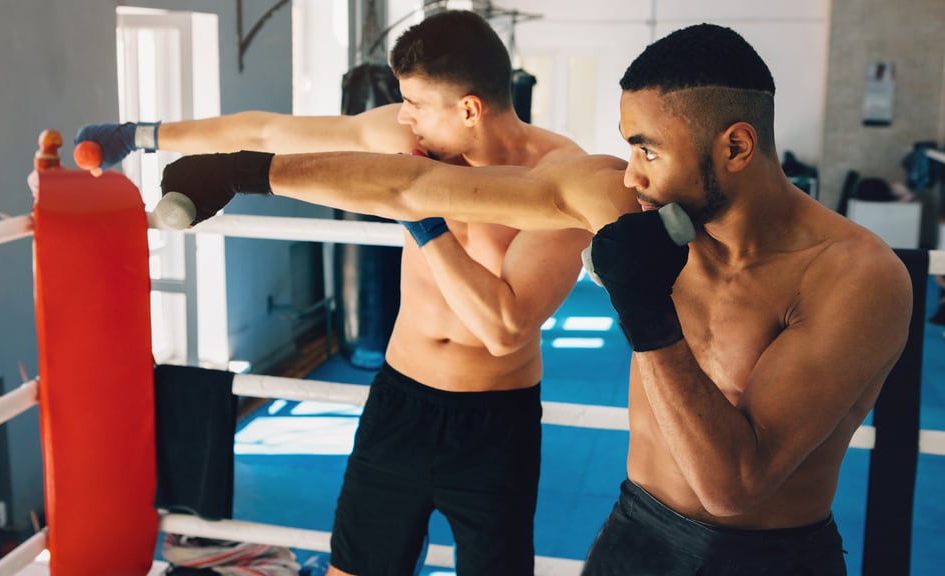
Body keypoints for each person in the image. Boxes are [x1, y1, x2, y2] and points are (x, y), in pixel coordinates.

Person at [155, 23, 914, 575]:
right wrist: (245, 172)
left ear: (737, 149)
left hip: (767, 559)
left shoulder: (855, 278)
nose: (633, 175)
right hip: (633, 533)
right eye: (628, 144)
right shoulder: (623, 197)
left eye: (648, 149)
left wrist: (645, 311)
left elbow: (734, 486)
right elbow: (417, 186)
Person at [78, 10, 596, 576]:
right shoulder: (407, 138)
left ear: (468, 108)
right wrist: (138, 137)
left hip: (495, 422)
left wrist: (418, 212)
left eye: (416, 104)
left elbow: (504, 327)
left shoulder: (561, 180)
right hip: (402, 401)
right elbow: (266, 132)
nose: (404, 117)